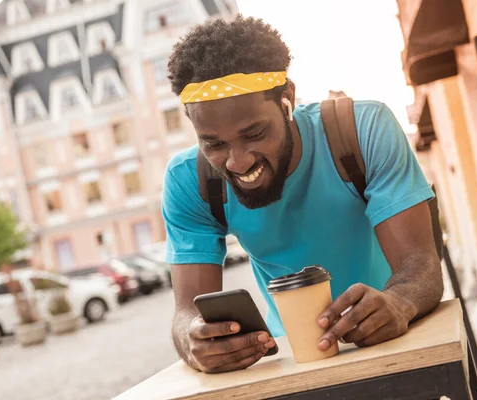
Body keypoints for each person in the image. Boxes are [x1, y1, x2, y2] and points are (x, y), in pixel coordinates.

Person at [162, 15, 443, 374]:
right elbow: (186, 312)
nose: (237, 161)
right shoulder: (189, 181)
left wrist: (399, 302)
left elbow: (421, 265)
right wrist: (193, 340)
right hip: (294, 362)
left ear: (287, 100)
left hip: (394, 340)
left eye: (254, 134)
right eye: (213, 143)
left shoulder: (362, 131)